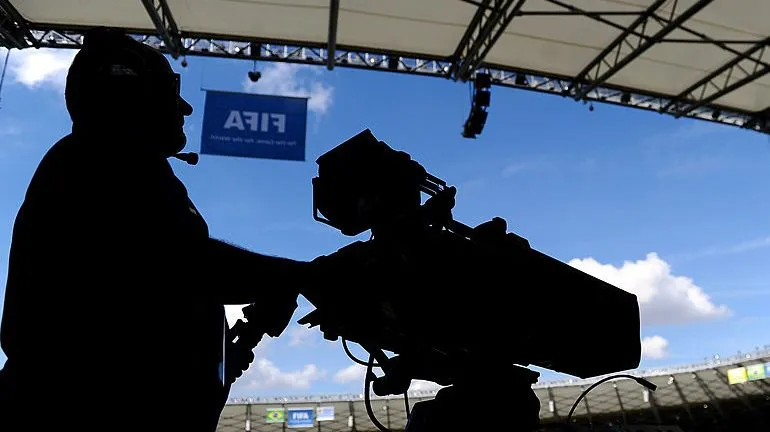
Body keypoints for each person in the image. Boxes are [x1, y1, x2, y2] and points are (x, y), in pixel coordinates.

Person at [0, 28, 314, 431]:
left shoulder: (108, 168)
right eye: (170, 92)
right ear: (135, 98)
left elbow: (142, 300)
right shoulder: (98, 160)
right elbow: (184, 263)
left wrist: (213, 363)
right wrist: (302, 275)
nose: (184, 108)